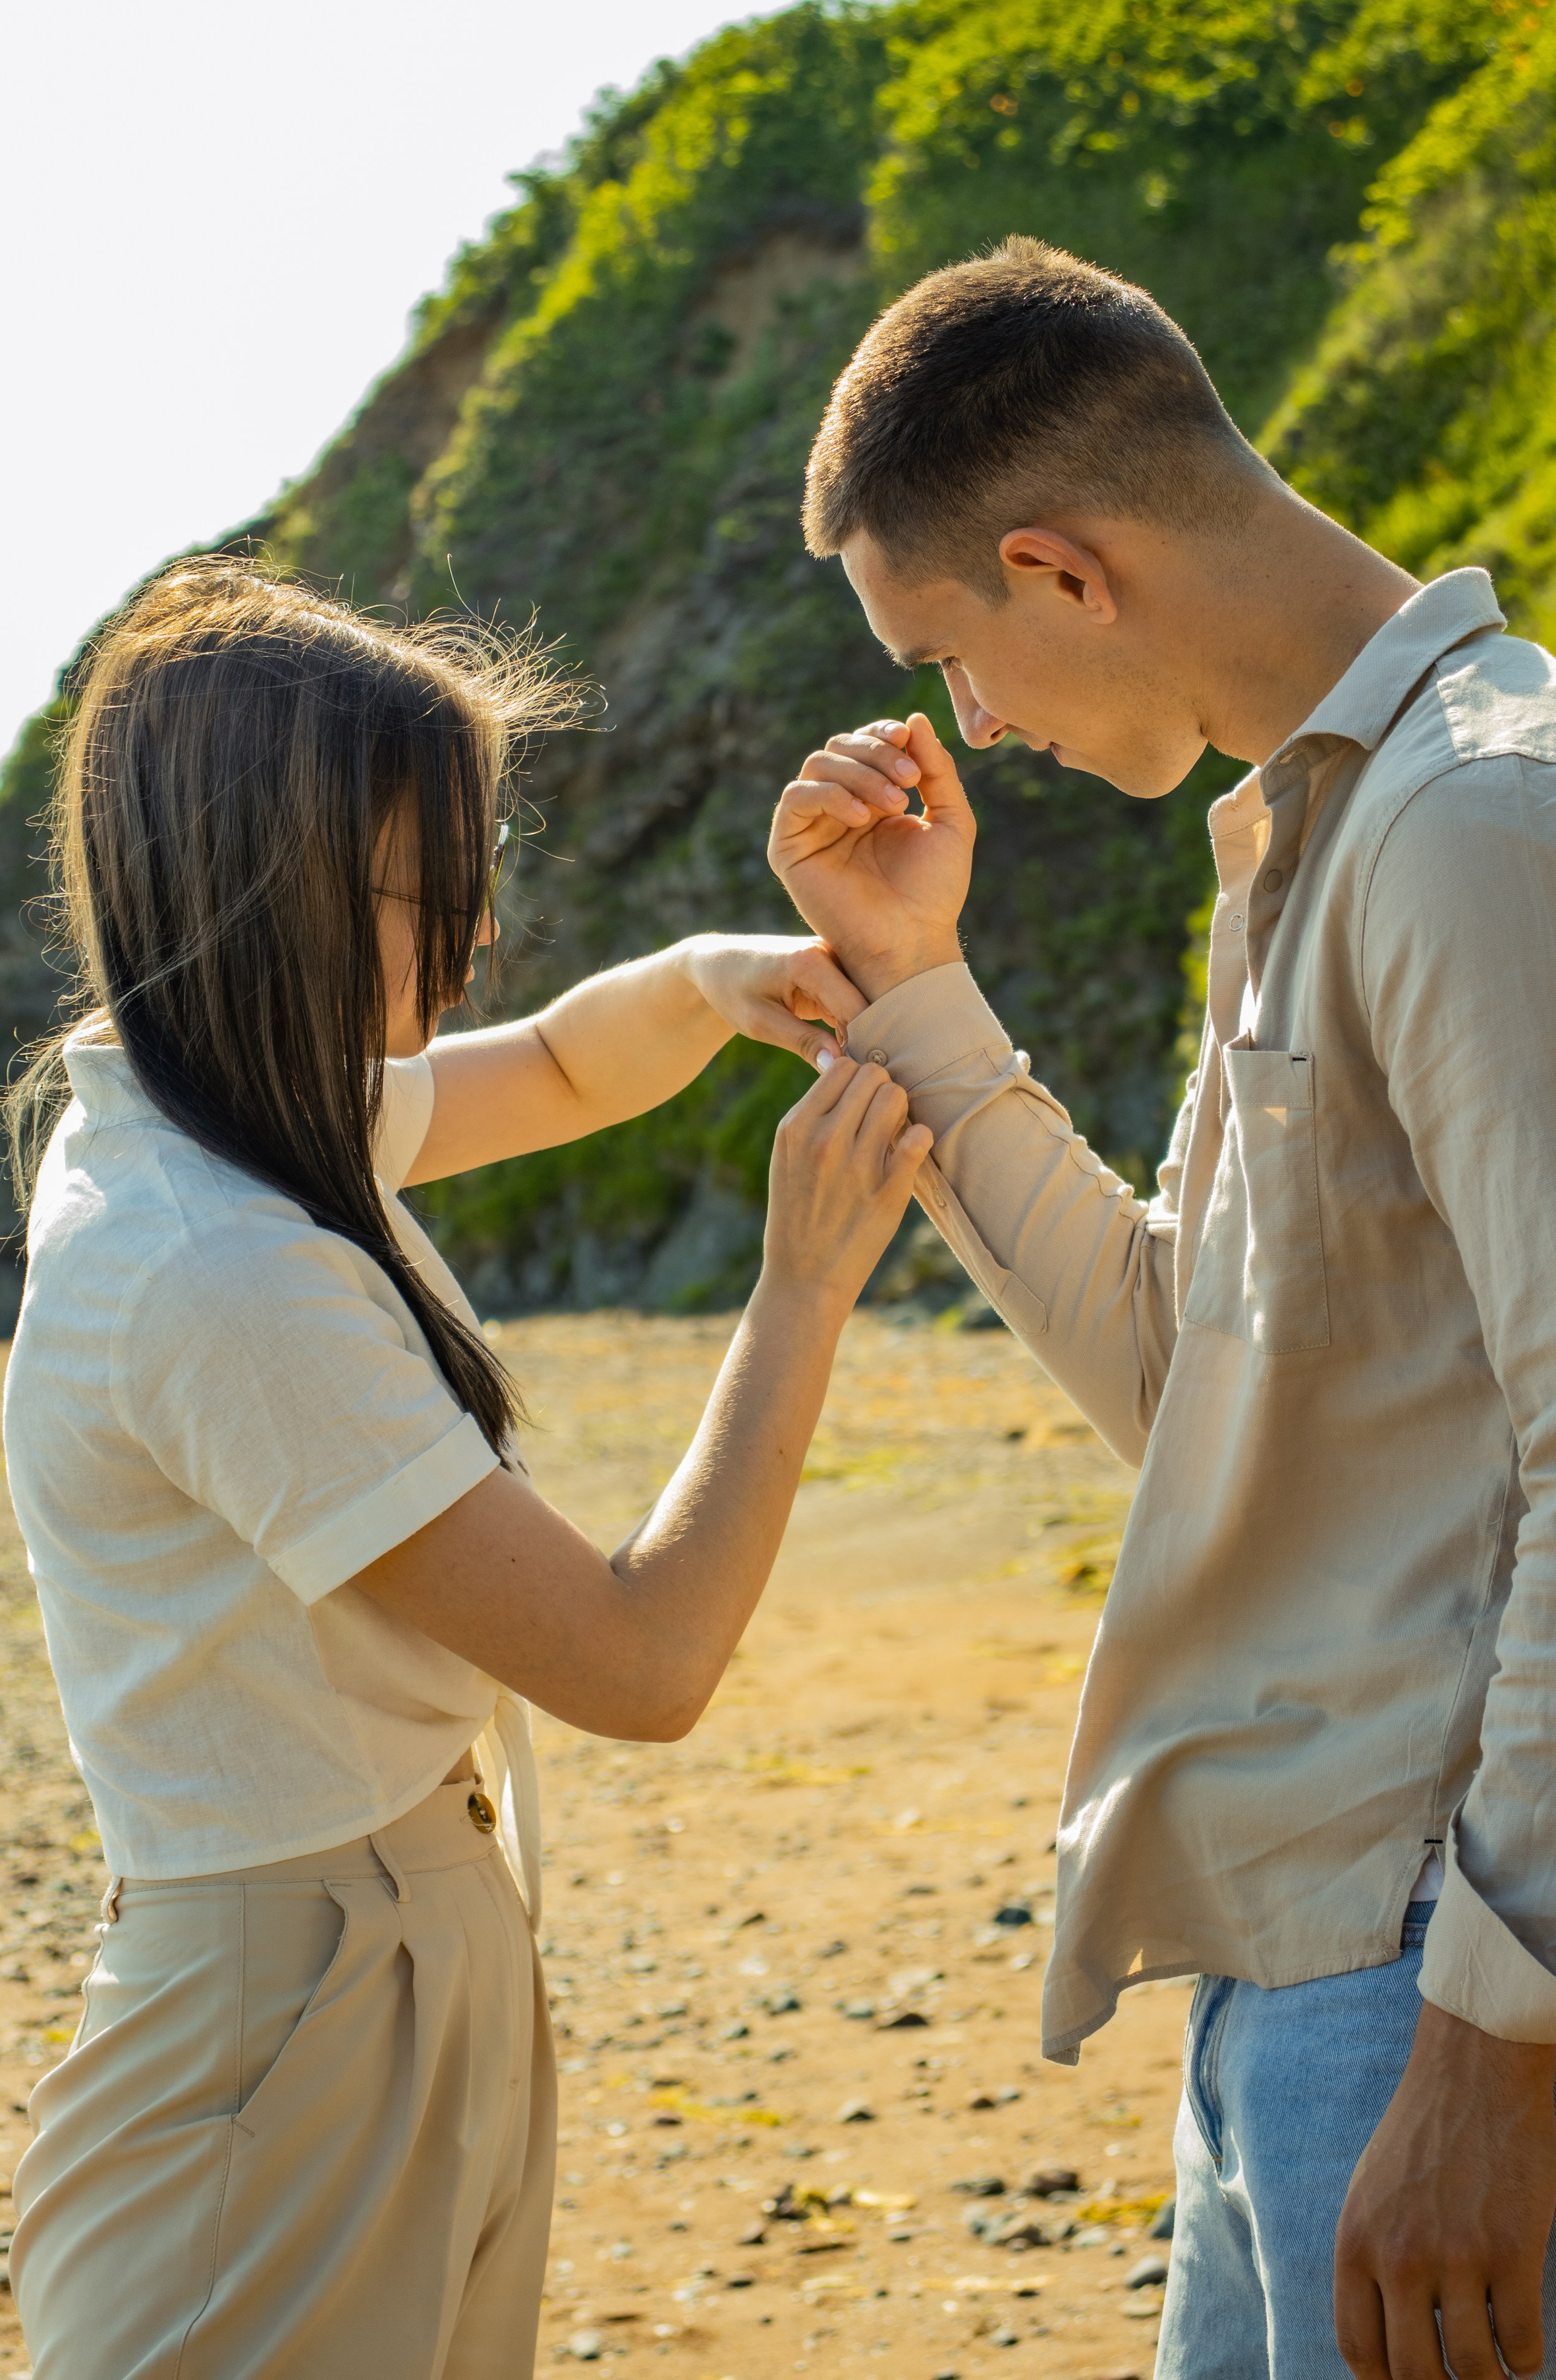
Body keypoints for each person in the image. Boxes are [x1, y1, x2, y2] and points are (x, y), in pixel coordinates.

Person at [1, 555, 931, 2380]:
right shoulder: (220, 1265)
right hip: (297, 2017)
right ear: (284, 897)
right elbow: (642, 1664)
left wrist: (732, 974)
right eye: (446, 886)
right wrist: (806, 1282)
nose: (482, 934)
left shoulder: (225, 1111)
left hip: (362, 1965)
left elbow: (568, 1067)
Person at [767, 235, 1556, 2380]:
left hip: (1437, 1966)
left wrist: (1502, 2047)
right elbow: (1192, 1376)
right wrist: (915, 985)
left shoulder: (1478, 820)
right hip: (1299, 1968)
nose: (974, 727)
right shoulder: (1316, 831)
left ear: (1062, 567)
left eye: (954, 654)